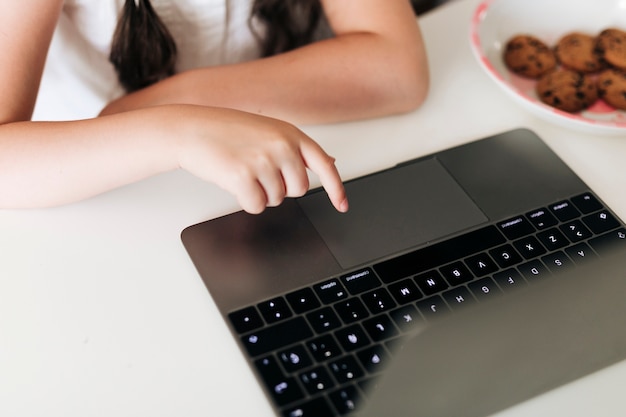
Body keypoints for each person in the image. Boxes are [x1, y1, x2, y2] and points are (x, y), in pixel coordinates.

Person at [0, 0, 429, 214]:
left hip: (260, 155)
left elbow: (398, 68)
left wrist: (176, 101)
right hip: (89, 172)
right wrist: (176, 132)